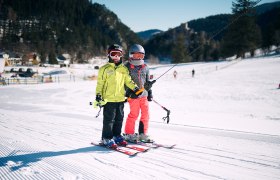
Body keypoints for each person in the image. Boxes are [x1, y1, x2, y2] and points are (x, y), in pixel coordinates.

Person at [94, 44, 144, 148]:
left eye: (118, 54)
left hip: (121, 99)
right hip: (109, 99)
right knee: (109, 120)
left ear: (121, 55)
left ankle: (117, 136)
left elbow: (128, 81)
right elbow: (100, 84)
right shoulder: (104, 69)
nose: (116, 57)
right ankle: (106, 138)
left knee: (119, 119)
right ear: (109, 55)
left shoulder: (123, 69)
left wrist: (135, 89)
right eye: (113, 54)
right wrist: (98, 95)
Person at [124, 44, 154, 143]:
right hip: (133, 96)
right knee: (134, 114)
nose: (139, 57)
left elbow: (147, 81)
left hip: (143, 96)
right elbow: (124, 82)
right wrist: (128, 93)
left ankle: (142, 134)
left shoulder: (145, 67)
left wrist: (149, 92)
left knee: (146, 114)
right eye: (137, 55)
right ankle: (129, 134)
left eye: (141, 55)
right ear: (131, 55)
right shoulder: (127, 67)